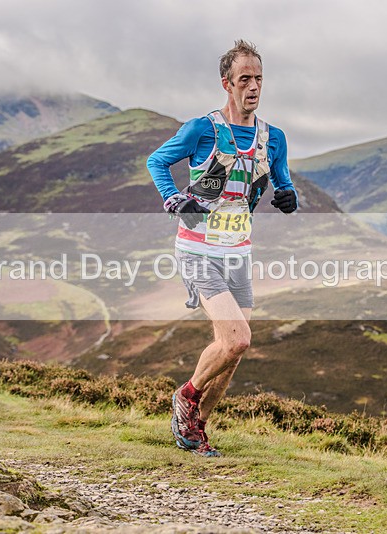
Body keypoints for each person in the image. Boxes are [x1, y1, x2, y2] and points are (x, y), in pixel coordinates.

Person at [147, 40, 298, 457]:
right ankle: (186, 396)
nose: (253, 87)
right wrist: (173, 198)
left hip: (239, 253)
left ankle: (194, 430)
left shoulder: (274, 137)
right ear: (227, 84)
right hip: (197, 249)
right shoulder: (202, 129)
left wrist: (289, 196)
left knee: (231, 355)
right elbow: (157, 162)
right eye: (244, 79)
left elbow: (283, 181)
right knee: (237, 339)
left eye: (259, 79)